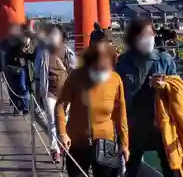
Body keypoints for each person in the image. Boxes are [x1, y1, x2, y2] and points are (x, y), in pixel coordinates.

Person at [116, 17, 177, 177]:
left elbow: (177, 93)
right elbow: (118, 95)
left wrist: (165, 86)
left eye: (150, 34)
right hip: (134, 127)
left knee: (172, 168)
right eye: (142, 35)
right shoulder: (123, 63)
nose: (147, 38)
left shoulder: (165, 60)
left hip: (162, 127)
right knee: (132, 170)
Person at [57, 41, 129, 177]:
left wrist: (124, 144)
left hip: (107, 144)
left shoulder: (115, 79)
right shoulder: (76, 76)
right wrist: (62, 133)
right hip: (77, 143)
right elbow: (60, 105)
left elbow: (121, 114)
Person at [39, 24, 75, 163]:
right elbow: (39, 72)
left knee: (64, 119)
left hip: (65, 92)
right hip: (50, 91)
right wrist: (39, 90)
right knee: (52, 120)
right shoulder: (44, 52)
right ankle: (55, 149)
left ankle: (63, 144)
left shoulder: (67, 51)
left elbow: (74, 68)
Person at [3, 24, 35, 115]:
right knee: (13, 89)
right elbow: (4, 47)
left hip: (22, 67)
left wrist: (26, 46)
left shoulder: (30, 41)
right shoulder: (11, 40)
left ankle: (25, 107)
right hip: (11, 67)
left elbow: (31, 53)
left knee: (22, 88)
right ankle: (17, 108)